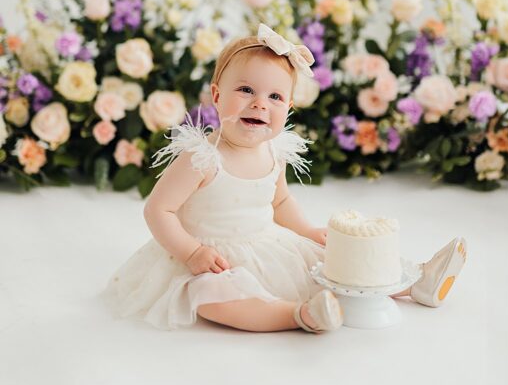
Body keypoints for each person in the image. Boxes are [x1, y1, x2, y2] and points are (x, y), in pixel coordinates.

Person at [104, 24, 466, 333]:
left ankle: (416, 282)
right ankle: (301, 315)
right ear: (216, 95)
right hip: (211, 255)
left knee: (331, 260)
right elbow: (158, 211)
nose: (260, 103)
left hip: (267, 243)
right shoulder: (201, 158)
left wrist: (307, 231)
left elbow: (279, 202)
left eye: (275, 96)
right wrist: (192, 251)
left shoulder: (274, 152)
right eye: (246, 90)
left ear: (288, 108)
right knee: (215, 296)